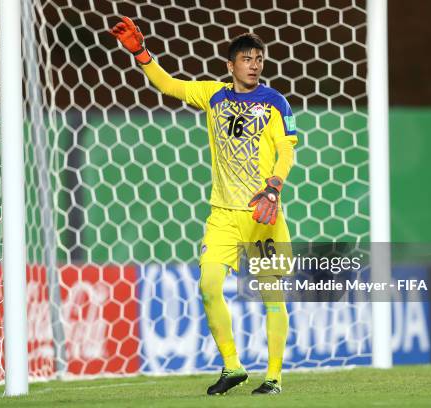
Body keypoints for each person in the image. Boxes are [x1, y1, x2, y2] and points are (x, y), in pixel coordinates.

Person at [110, 17, 298, 395]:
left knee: (271, 297)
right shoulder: (214, 95)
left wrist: (274, 187)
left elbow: (286, 150)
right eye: (246, 58)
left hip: (264, 215)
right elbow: (169, 84)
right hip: (224, 216)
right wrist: (140, 54)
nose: (254, 64)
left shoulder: (275, 102)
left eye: (259, 58)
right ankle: (232, 366)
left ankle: (274, 378)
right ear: (231, 66)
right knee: (209, 287)